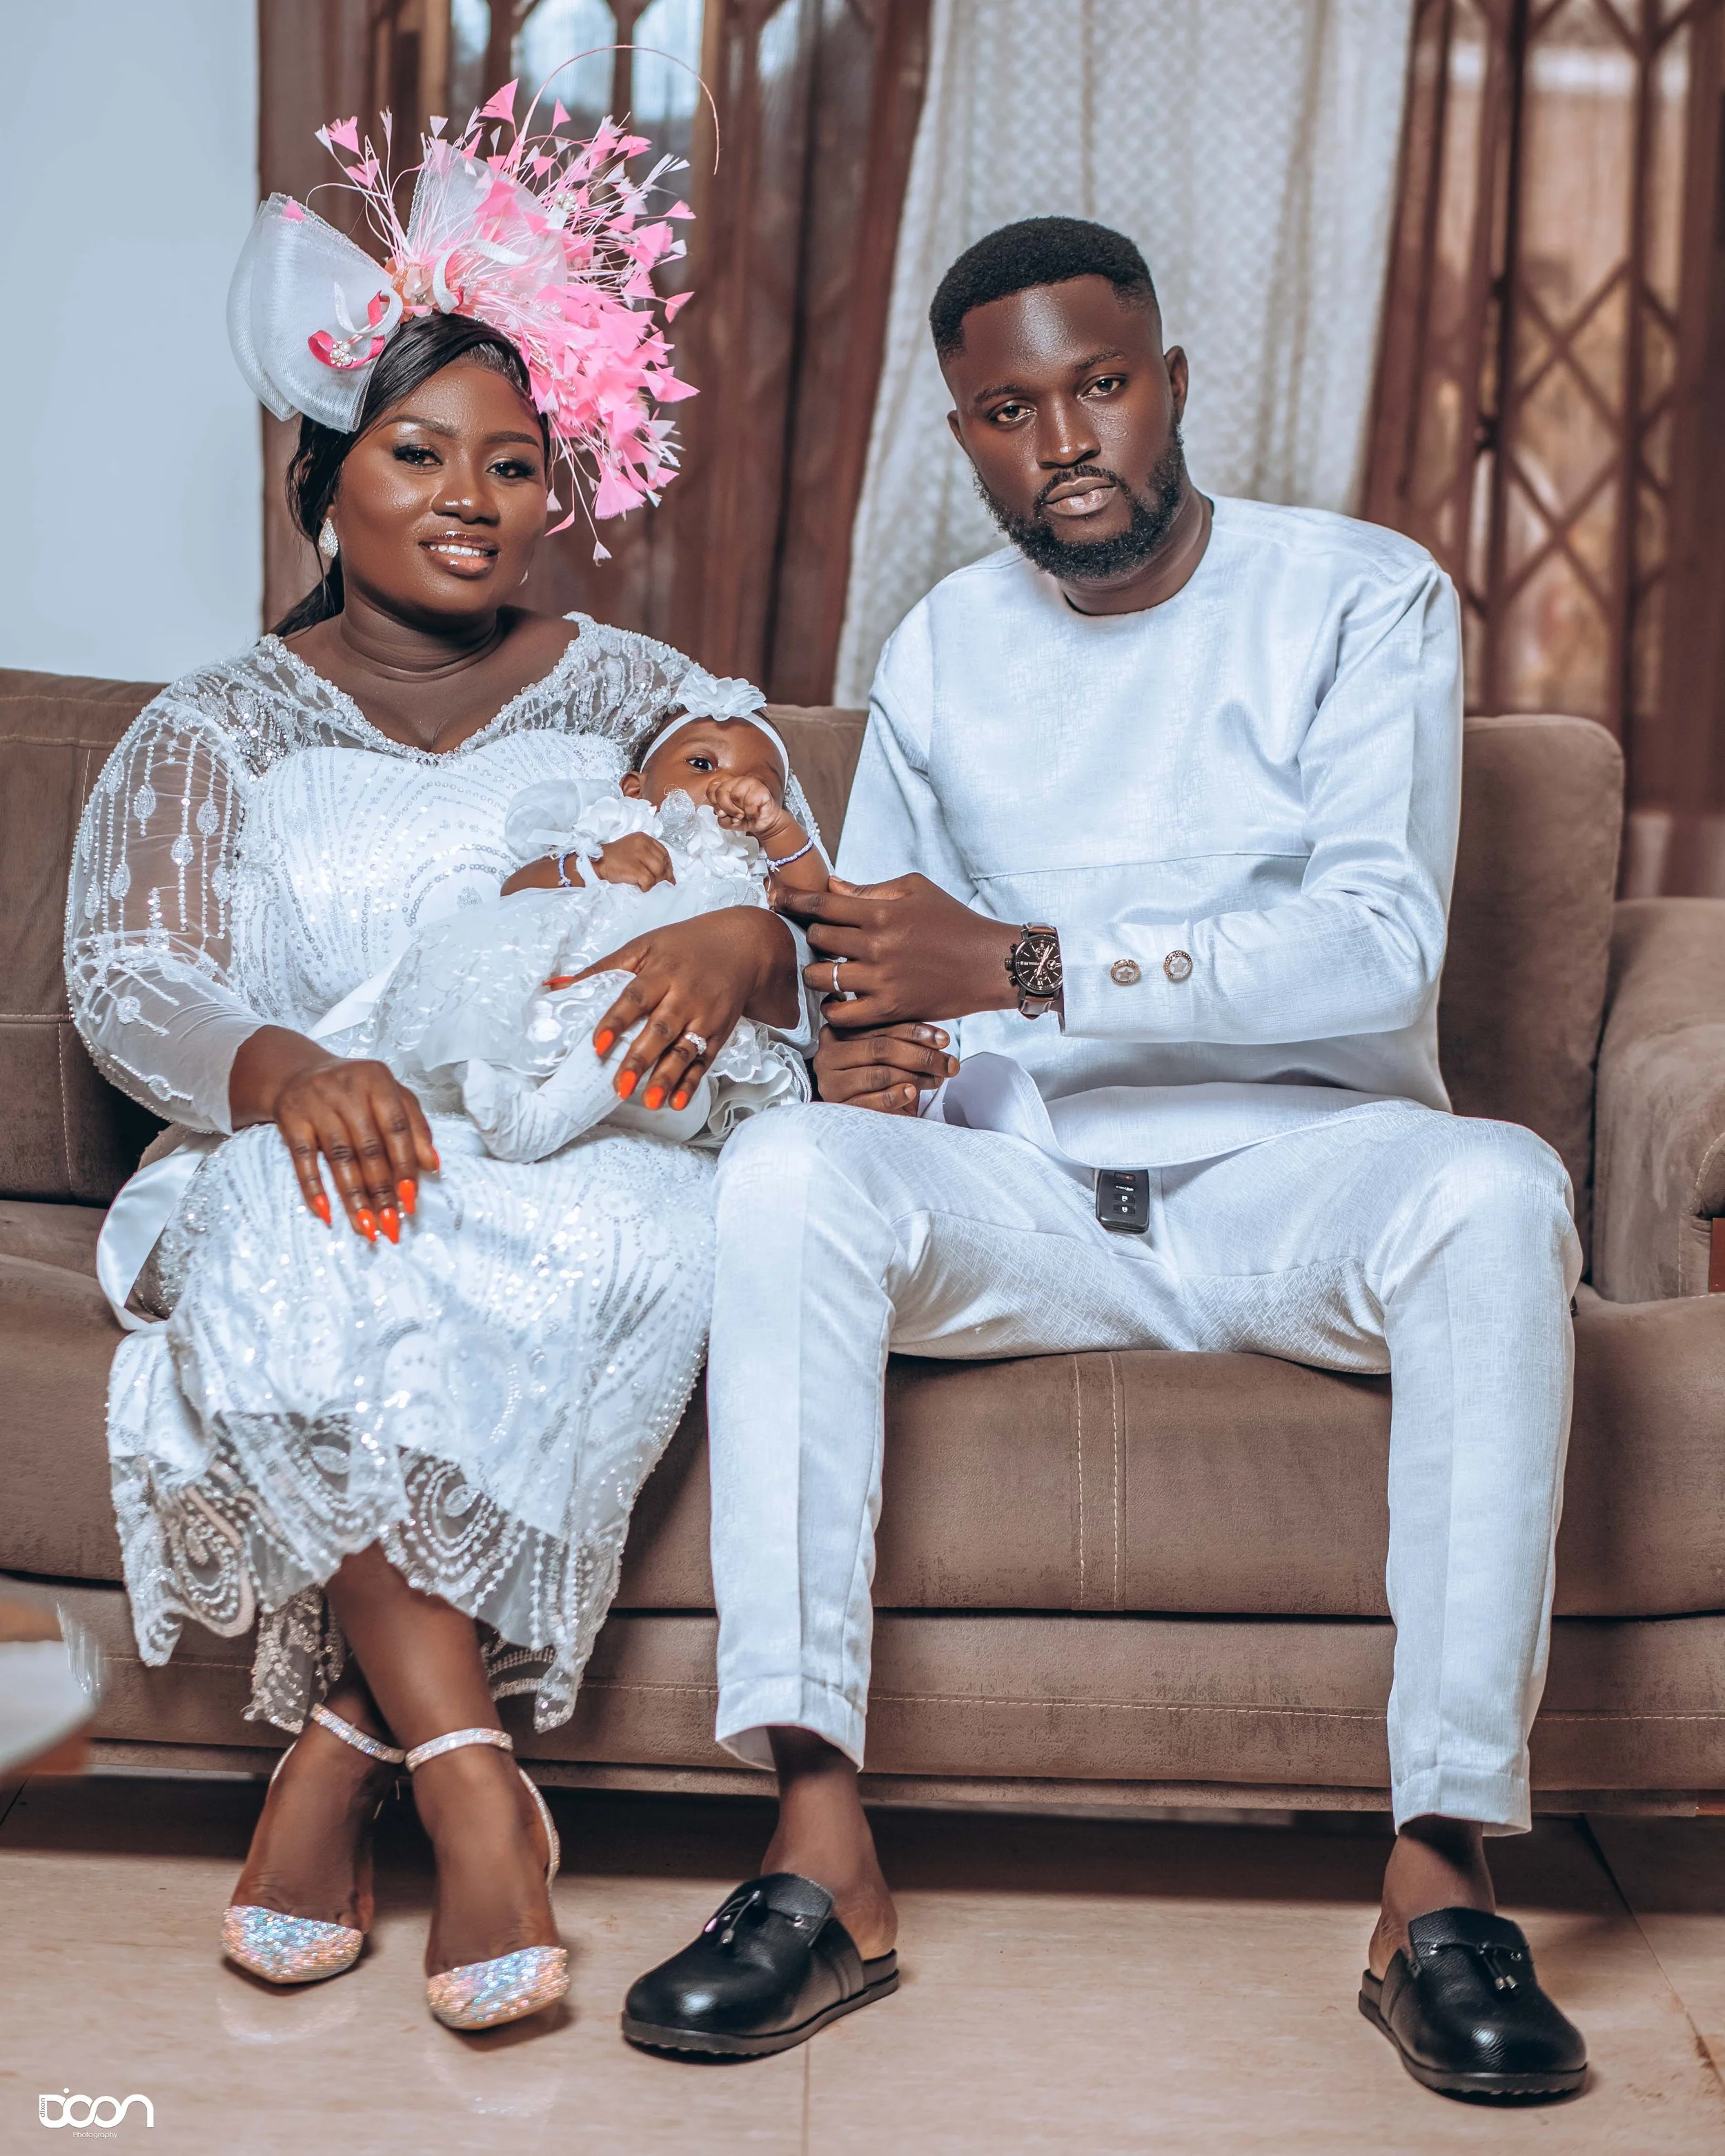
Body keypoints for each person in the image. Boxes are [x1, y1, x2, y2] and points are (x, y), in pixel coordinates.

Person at [625, 217, 1590, 2101]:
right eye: (1005, 408)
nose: (1060, 436)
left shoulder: (1358, 595)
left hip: (1302, 1177)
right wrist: (877, 1039)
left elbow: (1376, 943)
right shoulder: (933, 650)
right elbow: (886, 982)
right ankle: (819, 1854)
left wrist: (1023, 961)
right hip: (1037, 1194)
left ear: (1166, 376)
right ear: (962, 431)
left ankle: (1440, 1880)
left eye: (1097, 384)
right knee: (788, 1175)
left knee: (1494, 1188)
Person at [68, 97, 819, 2035]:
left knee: (641, 1236)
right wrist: (276, 1064)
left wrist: (749, 941)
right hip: (334, 1131)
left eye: (509, 460)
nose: (468, 494)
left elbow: (788, 891)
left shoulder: (648, 691)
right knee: (311, 1225)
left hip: (591, 1154)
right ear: (321, 481)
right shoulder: (210, 724)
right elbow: (128, 966)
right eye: (415, 453)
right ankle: (483, 1792)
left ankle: (339, 1747)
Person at [369, 703, 829, 1163]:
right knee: (503, 995)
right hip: (568, 981)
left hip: (676, 1004)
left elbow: (814, 902)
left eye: (760, 783)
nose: (725, 784)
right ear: (634, 787)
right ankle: (511, 1084)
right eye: (701, 764)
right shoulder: (618, 827)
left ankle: (547, 1119)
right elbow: (515, 890)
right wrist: (594, 863)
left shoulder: (750, 864)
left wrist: (776, 829)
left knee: (650, 1027)